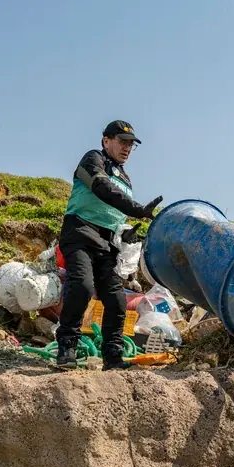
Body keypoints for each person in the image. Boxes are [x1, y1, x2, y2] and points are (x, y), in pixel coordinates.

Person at [54, 120, 163, 371]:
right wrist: (138, 210)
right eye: (122, 142)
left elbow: (115, 213)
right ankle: (67, 347)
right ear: (106, 141)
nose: (127, 148)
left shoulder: (126, 177)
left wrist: (126, 236)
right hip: (80, 231)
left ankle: (112, 357)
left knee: (116, 299)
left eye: (131, 145)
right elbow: (102, 189)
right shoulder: (92, 160)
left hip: (107, 242)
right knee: (81, 285)